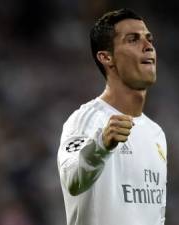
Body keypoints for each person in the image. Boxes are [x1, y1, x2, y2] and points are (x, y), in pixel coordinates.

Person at [57, 8, 167, 225]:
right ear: (107, 57)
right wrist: (101, 144)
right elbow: (71, 179)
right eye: (133, 39)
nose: (148, 46)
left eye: (149, 39)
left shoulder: (156, 133)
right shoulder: (87, 120)